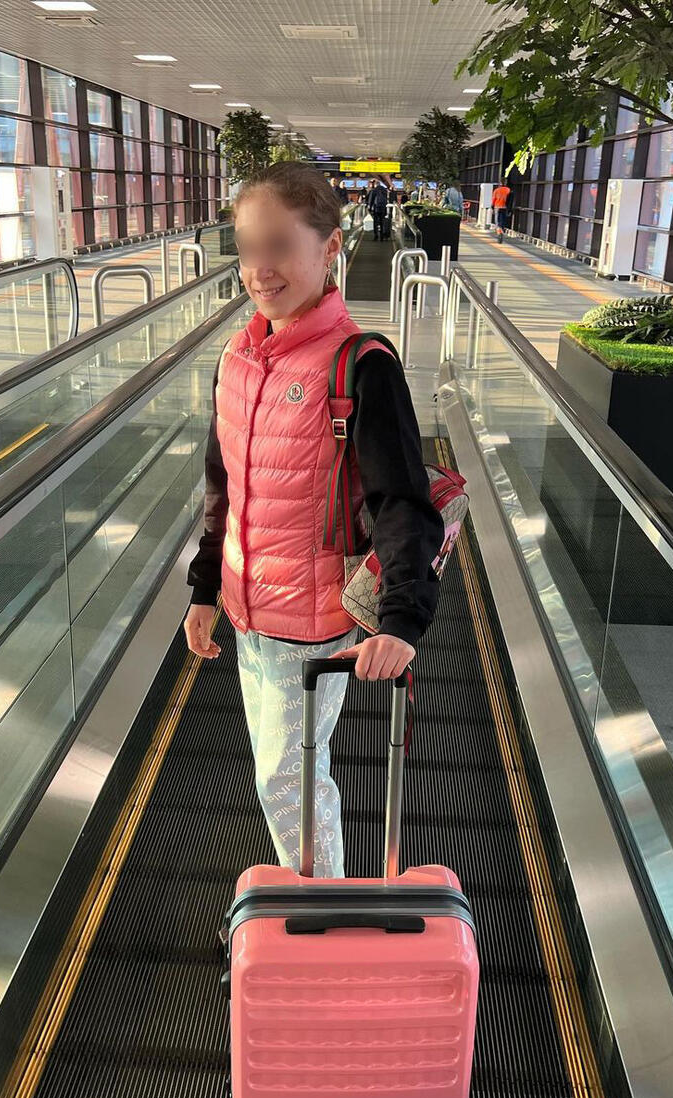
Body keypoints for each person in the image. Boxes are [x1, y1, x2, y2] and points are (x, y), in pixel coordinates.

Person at [185, 161, 444, 879]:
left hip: (309, 617)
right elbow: (223, 484)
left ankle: (319, 906)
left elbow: (402, 500)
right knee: (283, 772)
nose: (260, 269)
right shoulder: (239, 355)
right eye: (248, 248)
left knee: (287, 779)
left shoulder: (360, 364)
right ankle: (314, 897)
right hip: (248, 606)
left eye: (279, 247)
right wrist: (206, 588)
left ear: (330, 248)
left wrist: (401, 620)